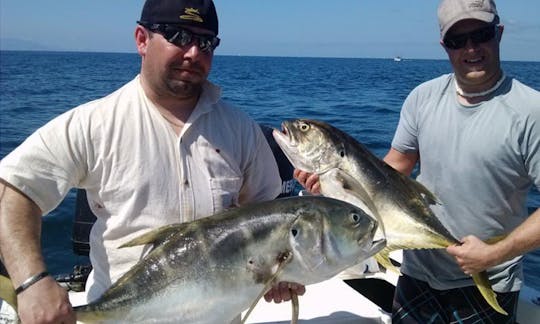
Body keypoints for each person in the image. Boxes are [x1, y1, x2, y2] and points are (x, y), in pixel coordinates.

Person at [0, 0, 302, 323]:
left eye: (206, 42)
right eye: (179, 36)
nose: (194, 54)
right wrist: (31, 282)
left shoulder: (241, 130)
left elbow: (270, 222)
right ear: (142, 39)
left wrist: (279, 272)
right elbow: (15, 190)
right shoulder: (97, 123)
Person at [296, 0, 540, 322]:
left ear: (499, 33)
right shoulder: (423, 98)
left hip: (491, 279)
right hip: (417, 274)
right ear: (444, 46)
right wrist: (334, 191)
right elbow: (394, 169)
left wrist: (494, 253)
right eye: (457, 40)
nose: (471, 48)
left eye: (481, 34)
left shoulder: (530, 112)